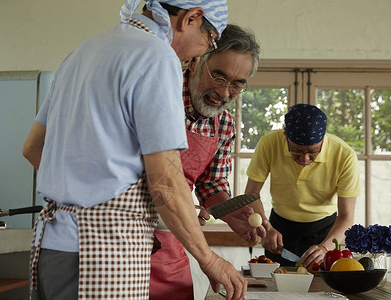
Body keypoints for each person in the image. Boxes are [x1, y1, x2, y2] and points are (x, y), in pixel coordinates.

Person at [21, 1, 248, 299]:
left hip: (52, 245)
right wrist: (209, 258)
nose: (202, 51)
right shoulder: (156, 56)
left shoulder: (84, 51)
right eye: (210, 40)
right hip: (103, 256)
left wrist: (106, 200)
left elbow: (34, 148)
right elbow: (166, 182)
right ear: (192, 18)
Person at [149, 24, 270, 299]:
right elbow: (159, 181)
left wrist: (229, 212)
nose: (225, 93)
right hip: (124, 237)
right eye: (219, 77)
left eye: (237, 84)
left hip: (173, 242)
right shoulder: (158, 97)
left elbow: (211, 184)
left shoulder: (224, 123)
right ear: (195, 63)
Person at [245, 103, 360, 269]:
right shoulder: (268, 144)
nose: (304, 159)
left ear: (323, 138)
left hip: (326, 231)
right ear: (285, 136)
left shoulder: (345, 155)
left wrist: (325, 247)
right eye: (296, 151)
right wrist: (265, 227)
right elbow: (251, 194)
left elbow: (347, 216)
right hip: (278, 228)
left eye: (313, 151)